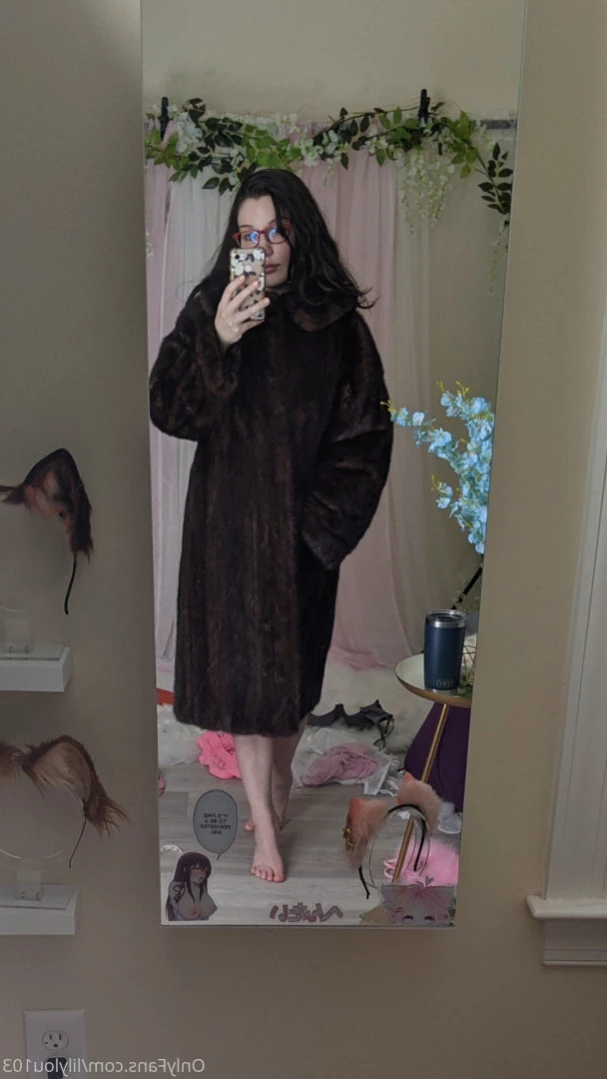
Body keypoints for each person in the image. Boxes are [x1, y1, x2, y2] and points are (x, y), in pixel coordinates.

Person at [150, 168, 393, 884]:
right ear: (235, 243)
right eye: (247, 235)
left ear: (299, 236)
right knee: (245, 693)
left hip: (300, 544)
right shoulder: (212, 306)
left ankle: (280, 777)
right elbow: (169, 409)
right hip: (225, 534)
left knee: (291, 691)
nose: (262, 248)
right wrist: (218, 339)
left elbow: (366, 438)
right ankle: (261, 819)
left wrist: (319, 534)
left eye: (275, 233)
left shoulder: (338, 326)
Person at [165, 852, 217, 921]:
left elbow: (210, 909)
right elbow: (189, 913)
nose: (203, 874)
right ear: (185, 869)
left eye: (205, 870)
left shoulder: (199, 887)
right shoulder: (176, 886)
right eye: (198, 868)